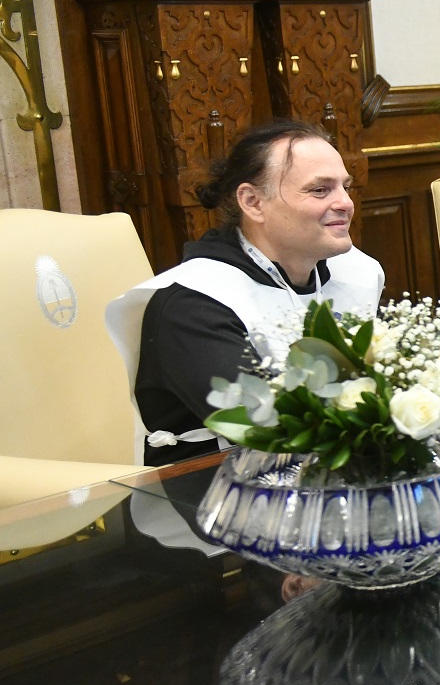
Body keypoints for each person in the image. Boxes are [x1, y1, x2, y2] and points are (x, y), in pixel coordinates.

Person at [105, 119, 385, 466]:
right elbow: (269, 429)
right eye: (319, 190)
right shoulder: (194, 303)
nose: (345, 202)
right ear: (253, 202)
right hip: (214, 484)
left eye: (346, 186)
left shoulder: (355, 272)